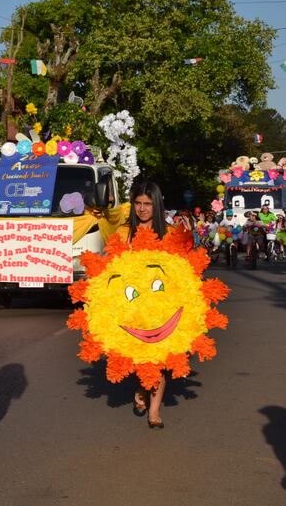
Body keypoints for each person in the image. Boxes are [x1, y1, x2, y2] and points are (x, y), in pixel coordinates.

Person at [123, 182, 172, 428]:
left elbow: (181, 271)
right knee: (139, 357)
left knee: (159, 359)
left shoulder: (169, 233)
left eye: (148, 204)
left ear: (156, 204)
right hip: (131, 303)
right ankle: (141, 391)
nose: (142, 209)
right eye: (138, 203)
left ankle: (154, 412)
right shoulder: (124, 233)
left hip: (161, 305)